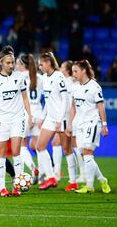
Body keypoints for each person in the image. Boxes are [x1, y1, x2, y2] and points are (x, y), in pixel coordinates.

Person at [0, 46, 33, 197]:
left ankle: (16, 186)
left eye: (13, 62)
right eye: (8, 63)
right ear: (1, 62)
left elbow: (25, 98)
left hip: (17, 118)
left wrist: (30, 115)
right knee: (1, 154)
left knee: (16, 152)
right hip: (1, 120)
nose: (11, 65)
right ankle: (2, 188)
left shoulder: (19, 77)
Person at [66, 60, 111, 194]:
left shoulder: (94, 87)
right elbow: (73, 106)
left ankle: (89, 186)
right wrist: (70, 124)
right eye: (72, 71)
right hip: (79, 124)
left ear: (84, 71)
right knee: (84, 154)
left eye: (75, 71)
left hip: (91, 123)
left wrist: (104, 124)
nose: (73, 74)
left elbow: (101, 106)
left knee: (87, 154)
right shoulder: (75, 86)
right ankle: (102, 179)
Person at [37, 52, 77, 191]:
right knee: (40, 146)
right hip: (50, 118)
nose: (39, 66)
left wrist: (61, 120)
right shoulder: (44, 77)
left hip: (62, 118)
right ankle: (51, 177)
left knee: (67, 149)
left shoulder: (59, 77)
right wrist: (43, 117)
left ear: (48, 63)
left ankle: (73, 181)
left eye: (41, 64)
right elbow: (48, 100)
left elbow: (65, 100)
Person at [16, 54, 42, 183]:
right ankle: (45, 174)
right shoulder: (40, 78)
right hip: (38, 112)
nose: (15, 66)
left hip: (26, 113)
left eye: (17, 63)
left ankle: (32, 167)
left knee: (22, 146)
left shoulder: (18, 78)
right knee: (39, 147)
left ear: (22, 65)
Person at [60, 60, 85, 183]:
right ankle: (82, 173)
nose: (60, 68)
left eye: (62, 67)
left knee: (76, 147)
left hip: (73, 118)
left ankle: (83, 173)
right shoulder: (71, 82)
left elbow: (70, 103)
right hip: (71, 117)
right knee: (74, 147)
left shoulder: (69, 83)